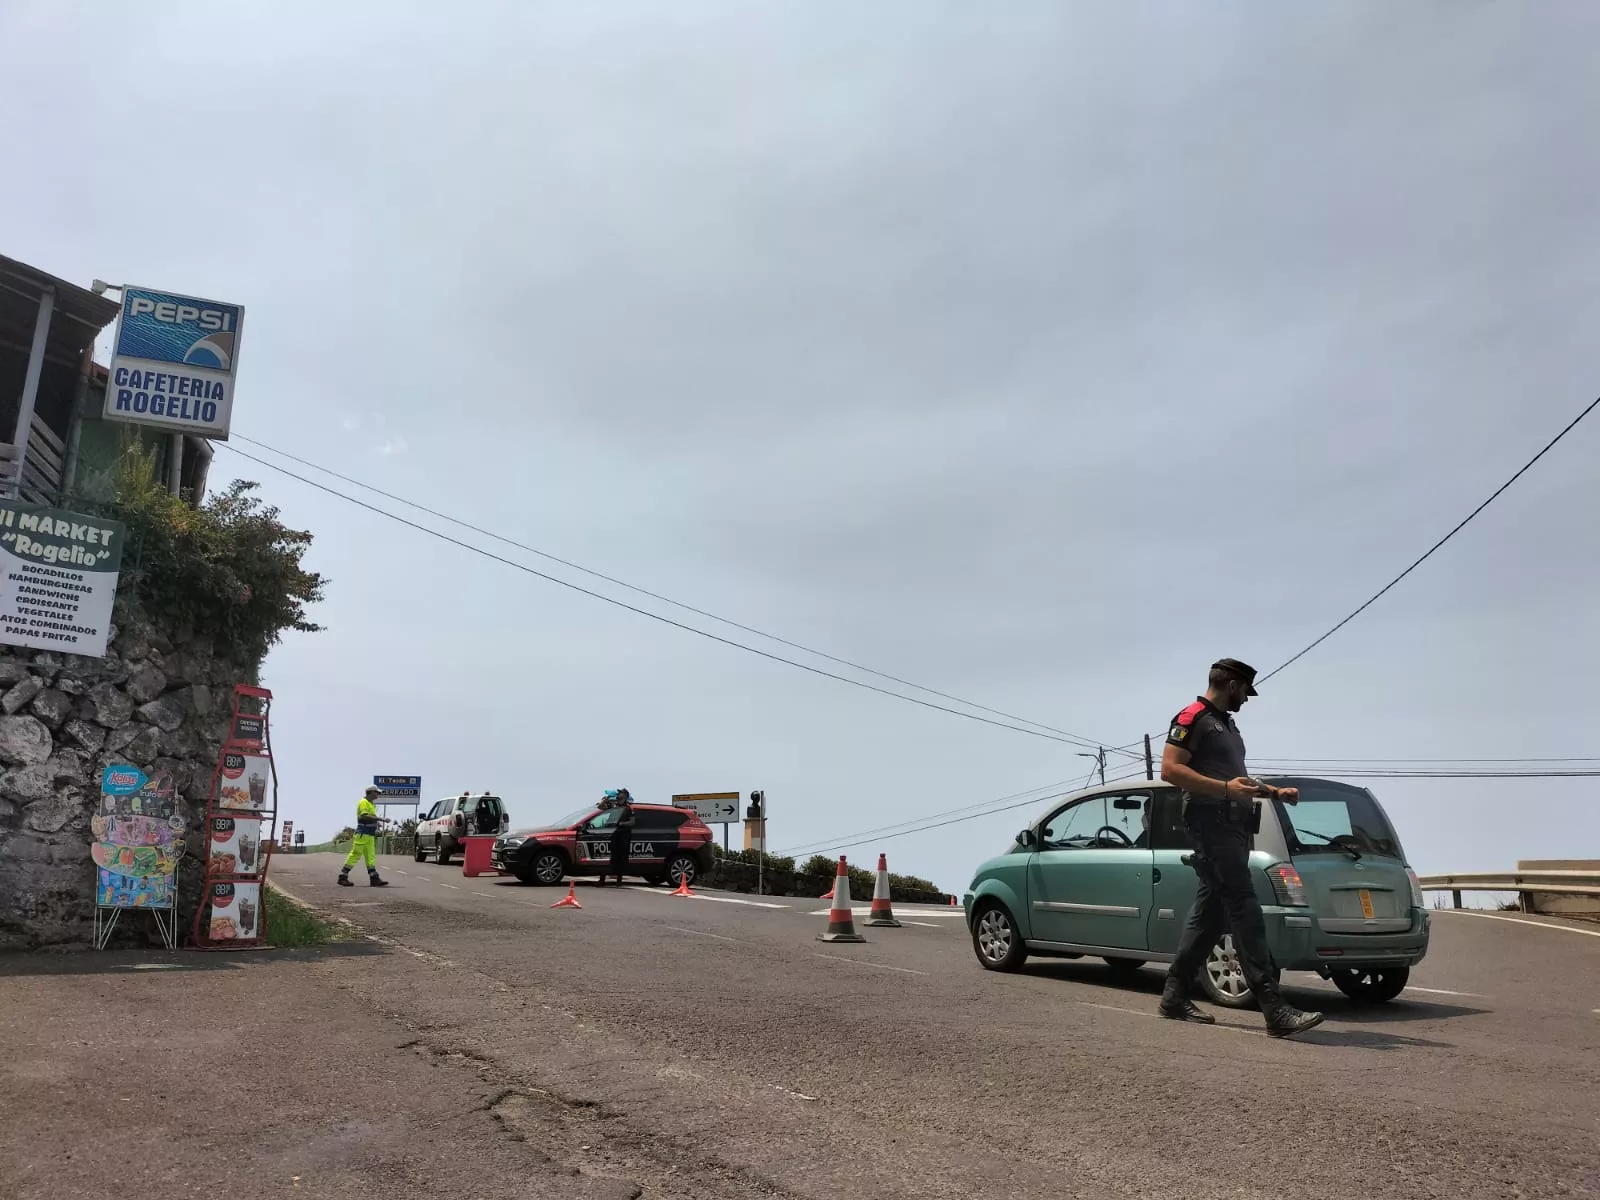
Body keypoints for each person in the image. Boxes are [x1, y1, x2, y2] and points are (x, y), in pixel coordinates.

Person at [1157, 659, 1321, 1037]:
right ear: (1231, 684)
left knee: (1210, 916)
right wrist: (1226, 791)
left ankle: (1174, 995)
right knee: (1246, 909)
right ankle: (1273, 1008)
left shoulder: (1226, 725)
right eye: (1246, 690)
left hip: (1233, 826)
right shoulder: (1192, 716)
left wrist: (1272, 792)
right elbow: (1170, 769)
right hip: (1210, 823)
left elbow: (1235, 778)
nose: (1247, 698)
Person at [338, 785, 390, 887]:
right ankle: (342, 876)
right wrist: (381, 819)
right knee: (355, 854)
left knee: (370, 857)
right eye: (376, 792)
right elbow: (364, 816)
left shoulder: (370, 804)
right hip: (362, 834)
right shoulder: (364, 802)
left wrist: (376, 822)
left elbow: (370, 817)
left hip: (369, 835)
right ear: (370, 792)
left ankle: (374, 878)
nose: (378, 794)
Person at [598, 788, 635, 887]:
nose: (619, 796)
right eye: (619, 794)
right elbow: (600, 808)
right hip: (611, 834)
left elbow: (632, 822)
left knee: (621, 858)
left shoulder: (628, 808)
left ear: (625, 796)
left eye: (621, 794)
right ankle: (602, 880)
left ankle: (619, 880)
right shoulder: (613, 806)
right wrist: (605, 800)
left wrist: (622, 823)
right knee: (608, 857)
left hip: (623, 835)